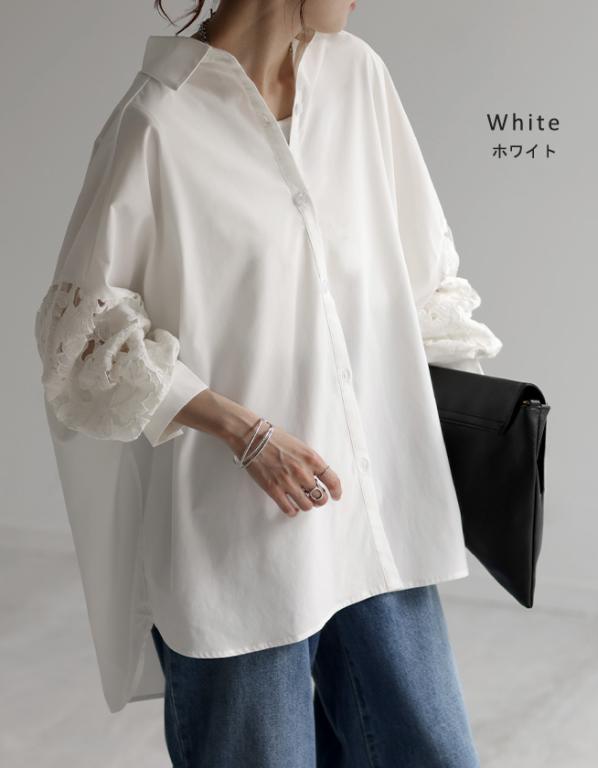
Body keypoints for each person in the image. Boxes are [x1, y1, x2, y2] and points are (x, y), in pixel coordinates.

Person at [34, 0, 502, 765]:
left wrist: (475, 434)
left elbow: (421, 280)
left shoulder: (358, 79)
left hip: (373, 520)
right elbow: (82, 338)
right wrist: (242, 430)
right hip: (236, 544)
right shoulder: (158, 121)